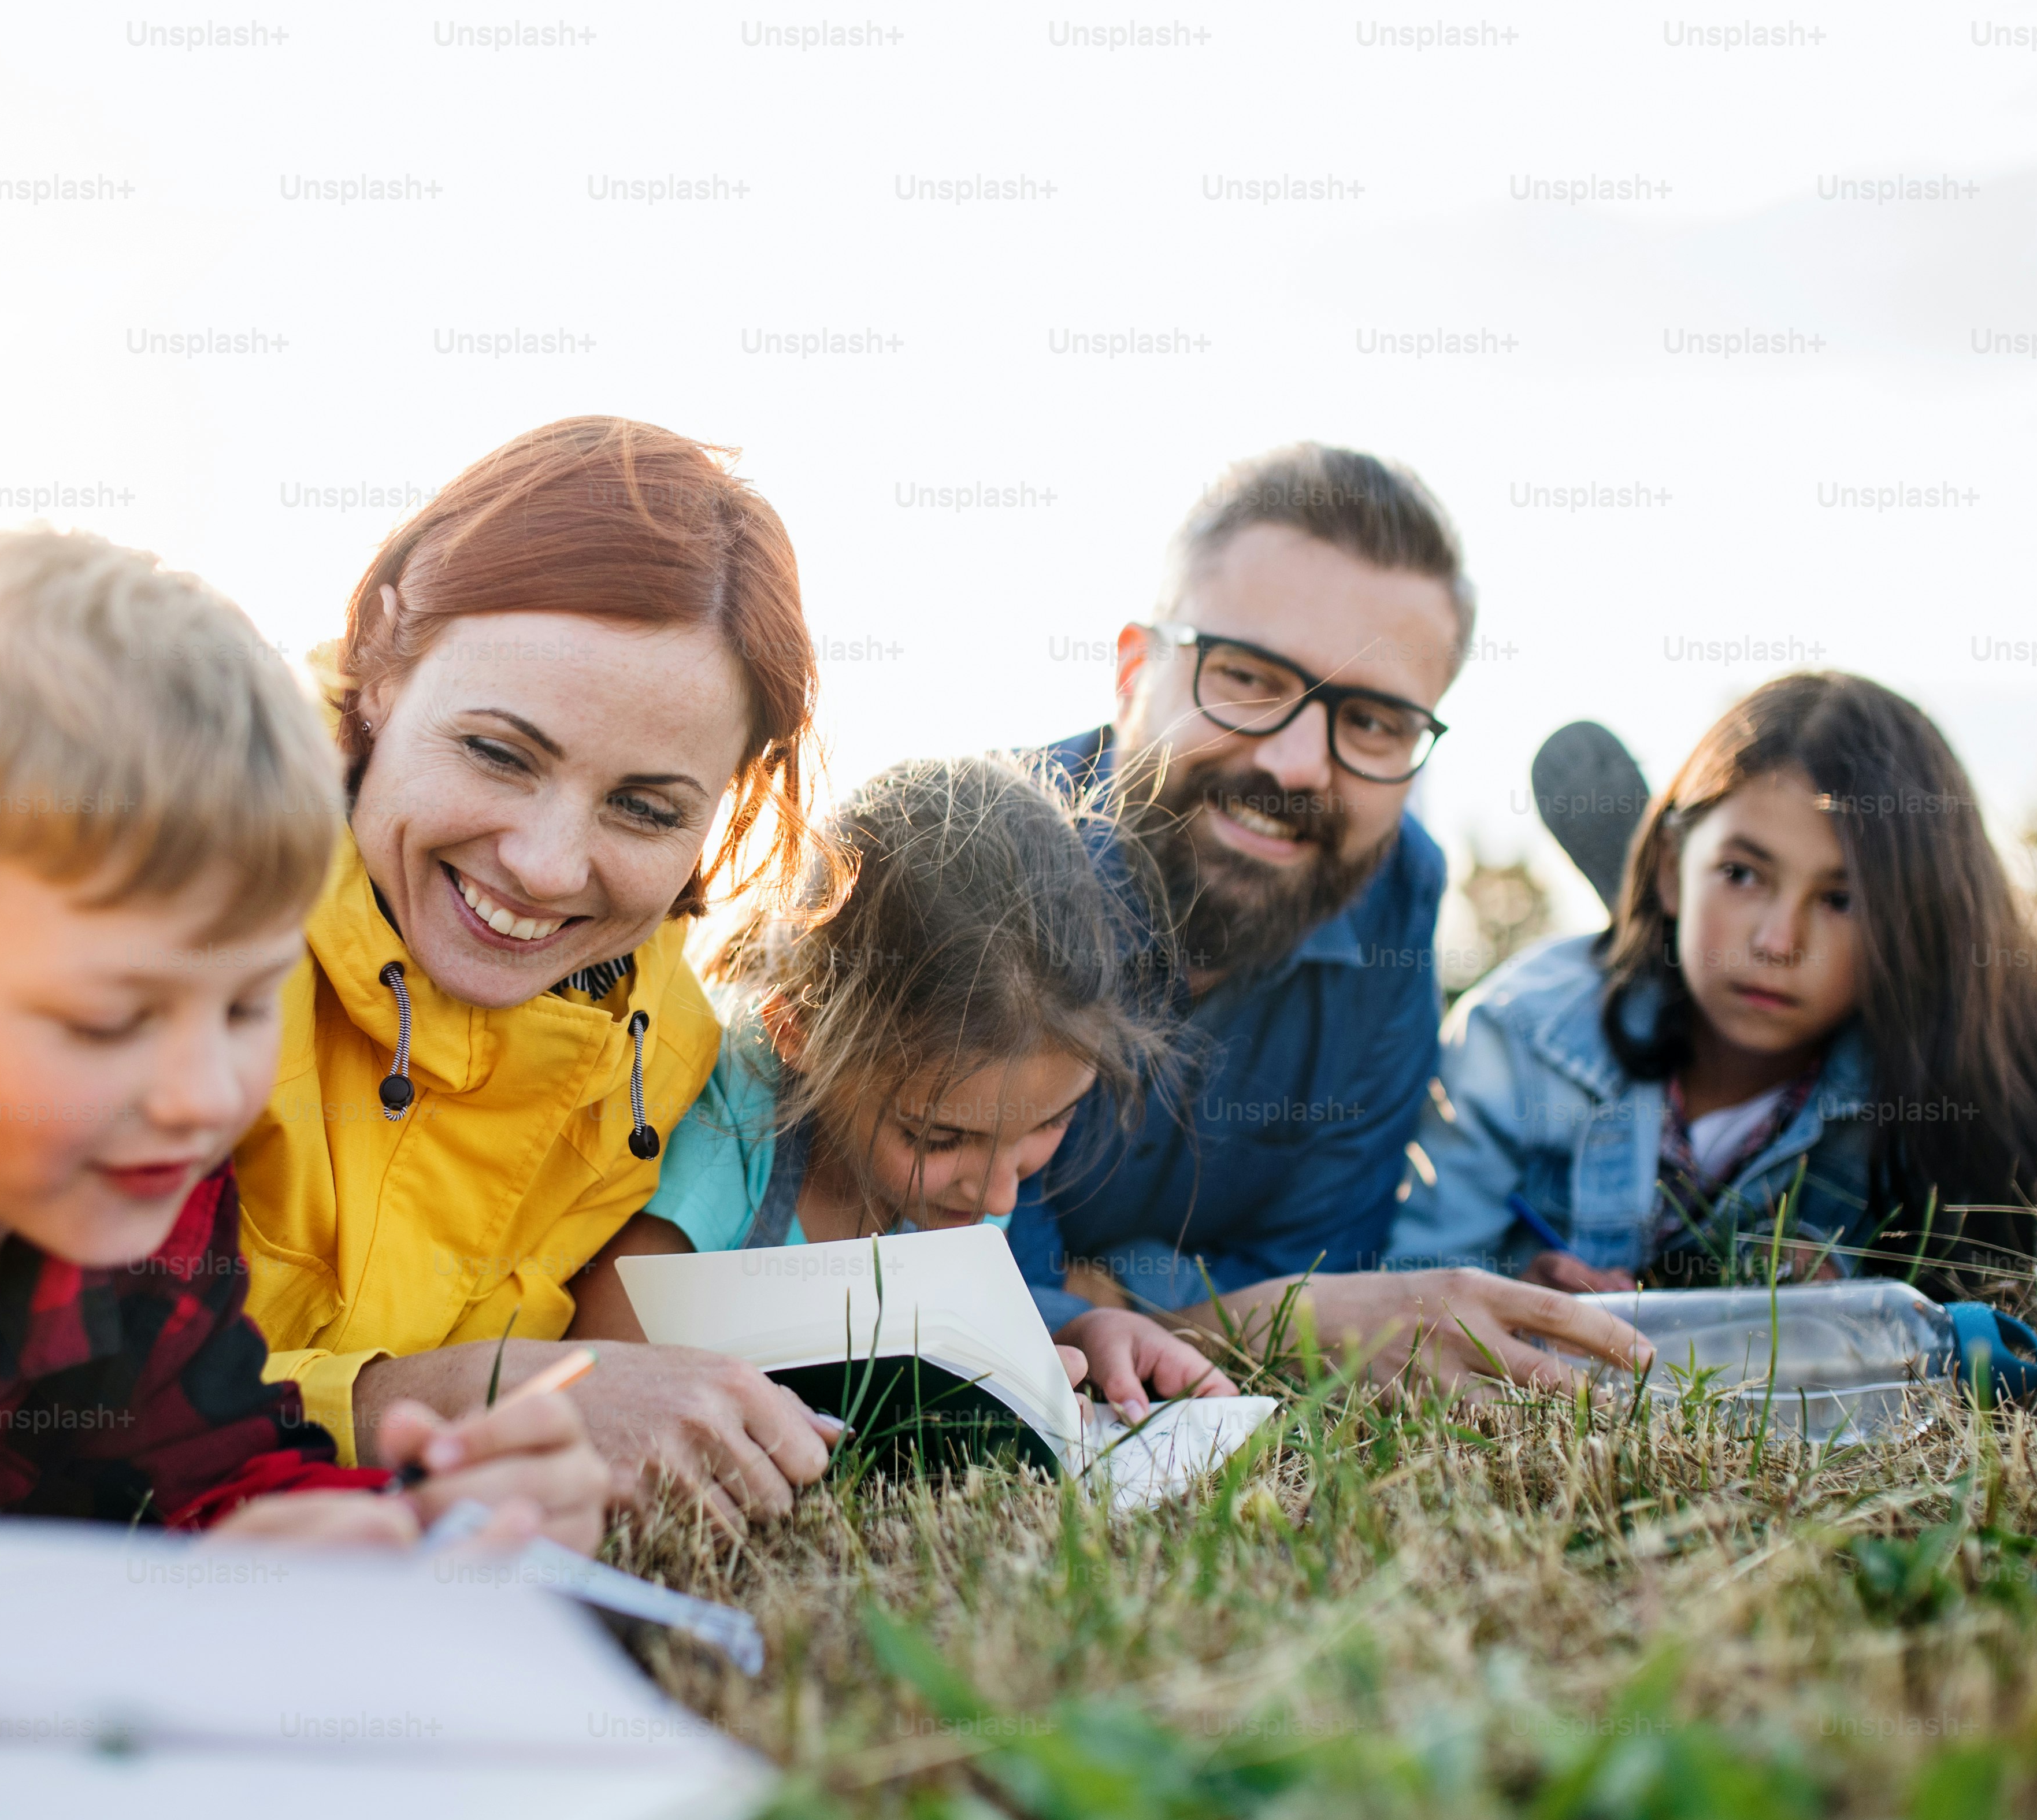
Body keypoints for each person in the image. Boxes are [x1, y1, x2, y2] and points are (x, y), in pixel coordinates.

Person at [0, 529, 610, 1551]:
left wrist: (403, 1523)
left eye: (247, 1006)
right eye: (107, 1020)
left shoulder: (148, 1215)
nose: (200, 1096)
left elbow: (221, 1468)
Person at [234, 416, 842, 1525]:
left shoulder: (670, 1052)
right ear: (381, 661)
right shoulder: (180, 909)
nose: (546, 867)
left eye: (646, 808)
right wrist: (434, 1400)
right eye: (498, 754)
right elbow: (52, 1393)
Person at [1021, 441, 1653, 1389]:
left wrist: (1133, 1297)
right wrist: (1252, 1317)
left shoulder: (1393, 900)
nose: (1296, 763)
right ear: (1130, 674)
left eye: (1371, 722)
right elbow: (948, 1301)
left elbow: (1323, 1258)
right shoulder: (966, 876)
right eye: (1245, 676)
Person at [1390, 670, 2037, 1285]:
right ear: (1668, 870)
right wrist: (1517, 1289)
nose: (1778, 941)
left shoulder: (1936, 1081)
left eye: (1841, 898)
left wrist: (1853, 1293)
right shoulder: (1515, 1033)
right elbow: (1410, 1277)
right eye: (1741, 873)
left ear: (1913, 924)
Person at [568, 754, 1233, 1417]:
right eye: (940, 1138)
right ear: (798, 1033)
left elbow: (964, 1322)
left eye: (1048, 1125)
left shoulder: (963, 1176)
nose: (999, 1191)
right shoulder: (726, 1129)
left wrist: (1083, 1329)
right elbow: (609, 1357)